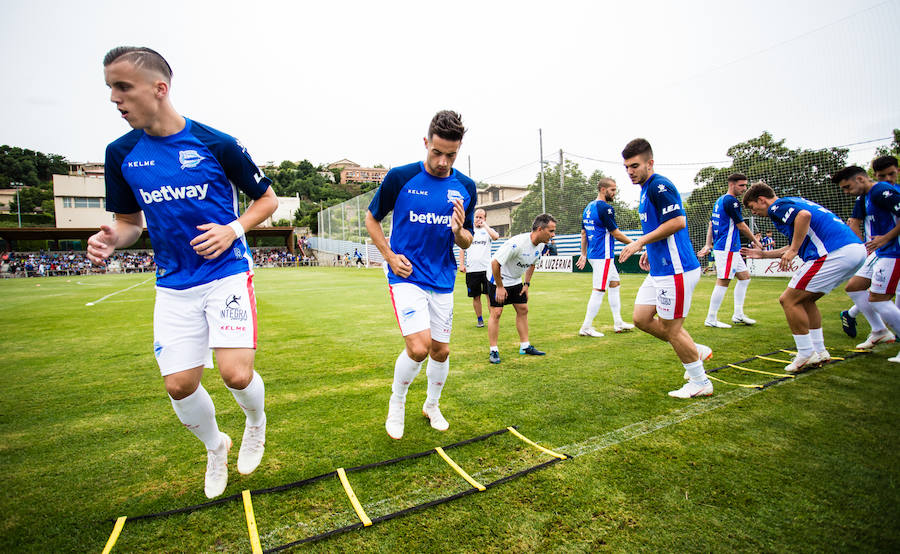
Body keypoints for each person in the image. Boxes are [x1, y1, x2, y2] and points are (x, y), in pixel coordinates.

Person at [88, 46, 278, 498]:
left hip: (226, 273)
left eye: (122, 87)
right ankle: (216, 446)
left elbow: (267, 200)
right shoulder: (121, 153)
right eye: (110, 88)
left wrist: (233, 230)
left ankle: (255, 421)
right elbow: (131, 224)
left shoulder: (216, 143)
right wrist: (113, 239)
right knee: (179, 385)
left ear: (159, 88)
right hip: (173, 283)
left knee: (234, 374)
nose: (115, 98)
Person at [365, 110, 475, 440]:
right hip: (406, 275)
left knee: (441, 351)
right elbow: (372, 219)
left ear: (459, 151)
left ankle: (432, 405)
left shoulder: (465, 187)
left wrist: (458, 231)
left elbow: (467, 239)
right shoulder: (400, 177)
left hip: (442, 279)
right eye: (436, 152)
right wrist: (388, 255)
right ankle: (397, 401)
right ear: (426, 143)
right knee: (418, 348)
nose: (442, 161)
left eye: (451, 155)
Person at [617, 139, 713, 398]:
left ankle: (700, 381)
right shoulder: (645, 189)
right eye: (626, 167)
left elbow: (678, 222)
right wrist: (650, 250)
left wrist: (640, 243)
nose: (630, 172)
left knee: (671, 329)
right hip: (660, 269)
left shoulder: (660, 185)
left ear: (650, 162)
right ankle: (696, 349)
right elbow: (659, 228)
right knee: (641, 318)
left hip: (677, 269)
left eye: (634, 165)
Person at [741, 182, 865, 372]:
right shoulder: (794, 202)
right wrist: (765, 254)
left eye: (752, 207)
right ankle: (819, 350)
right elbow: (798, 236)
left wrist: (793, 250)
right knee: (806, 301)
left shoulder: (777, 207)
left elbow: (803, 217)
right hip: (853, 250)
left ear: (761, 200)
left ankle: (806, 353)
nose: (754, 212)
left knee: (788, 300)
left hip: (833, 252)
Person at [832, 166, 900, 362]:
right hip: (878, 252)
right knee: (854, 287)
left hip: (892, 251)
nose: (846, 192)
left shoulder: (881, 192)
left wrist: (884, 239)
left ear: (861, 179)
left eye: (848, 187)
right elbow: (854, 221)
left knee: (880, 299)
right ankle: (879, 330)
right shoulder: (863, 197)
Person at [487, 214, 556, 363]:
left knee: (523, 309)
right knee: (497, 312)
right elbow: (495, 263)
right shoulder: (517, 243)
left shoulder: (541, 245)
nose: (553, 235)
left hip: (516, 280)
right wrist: (499, 286)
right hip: (498, 277)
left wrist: (526, 284)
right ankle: (493, 351)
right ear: (540, 229)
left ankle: (525, 346)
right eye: (551, 231)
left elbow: (532, 264)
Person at [696, 173, 762, 328]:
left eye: (745, 185)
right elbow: (741, 225)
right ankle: (711, 318)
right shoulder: (731, 201)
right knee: (723, 281)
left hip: (729, 248)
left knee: (745, 277)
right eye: (741, 185)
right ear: (732, 184)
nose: (744, 189)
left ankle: (738, 314)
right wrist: (755, 241)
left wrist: (707, 245)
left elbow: (711, 224)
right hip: (727, 248)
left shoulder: (719, 201)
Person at [575, 177, 636, 337]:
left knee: (614, 283)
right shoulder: (605, 208)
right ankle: (586, 327)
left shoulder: (588, 207)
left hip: (595, 255)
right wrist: (635, 244)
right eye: (612, 190)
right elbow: (615, 233)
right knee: (599, 290)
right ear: (603, 189)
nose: (614, 193)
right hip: (603, 256)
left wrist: (583, 253)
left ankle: (618, 322)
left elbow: (583, 233)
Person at [458, 207, 499, 328]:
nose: (478, 219)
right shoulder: (468, 231)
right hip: (472, 270)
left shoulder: (488, 230)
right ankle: (480, 319)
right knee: (476, 296)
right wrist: (461, 264)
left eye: (481, 217)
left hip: (487, 269)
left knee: (489, 295)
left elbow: (496, 237)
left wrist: (485, 226)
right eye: (476, 217)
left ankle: (493, 319)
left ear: (485, 219)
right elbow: (462, 249)